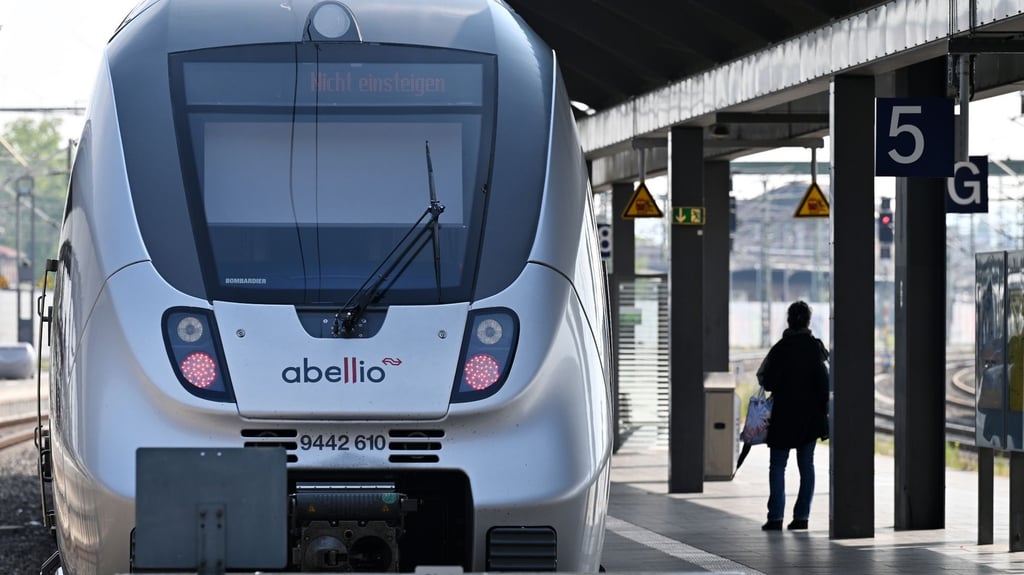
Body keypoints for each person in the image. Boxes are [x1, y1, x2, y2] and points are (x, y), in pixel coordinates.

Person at [756, 300, 829, 531]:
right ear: (808, 321)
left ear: (789, 321)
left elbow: (766, 382)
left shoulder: (780, 348)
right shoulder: (815, 348)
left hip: (783, 417)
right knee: (806, 466)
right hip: (809, 418)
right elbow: (824, 385)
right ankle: (801, 517)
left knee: (778, 466)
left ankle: (775, 517)